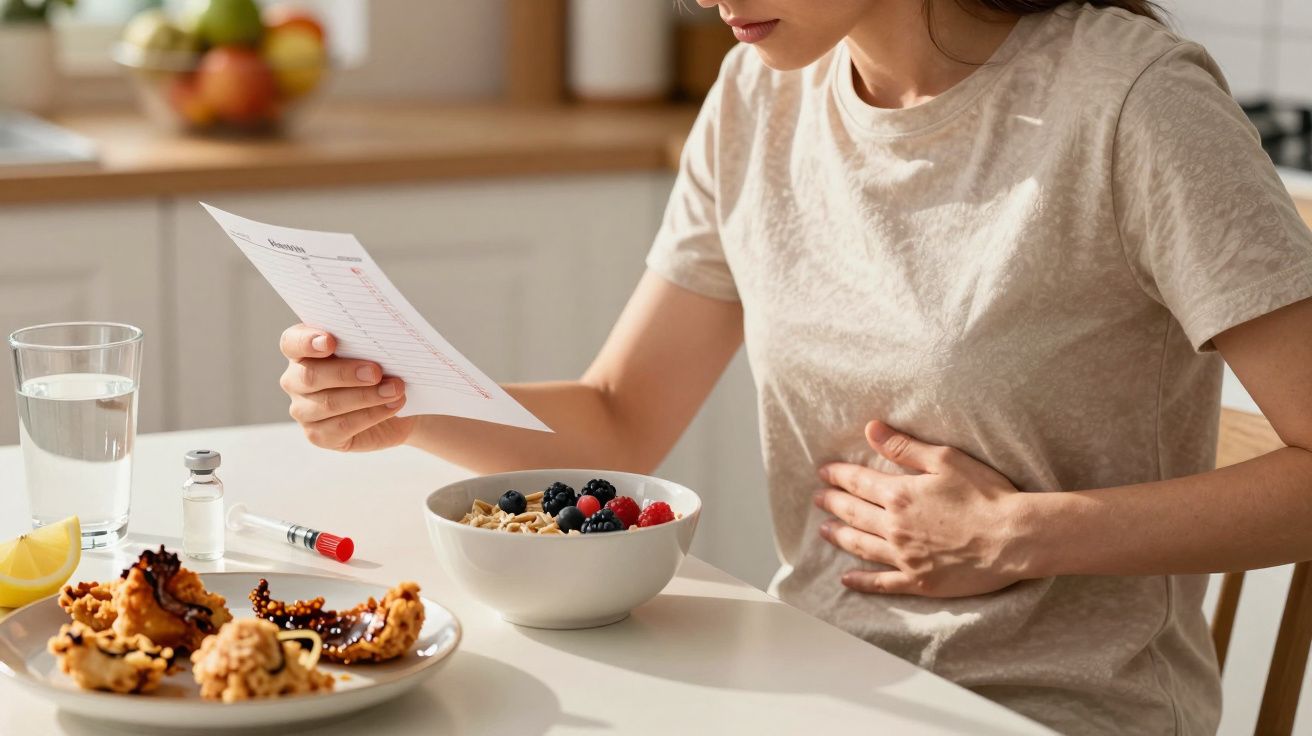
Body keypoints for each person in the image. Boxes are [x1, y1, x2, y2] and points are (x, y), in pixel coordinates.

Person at [275, 1, 1312, 733]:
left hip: (1046, 710)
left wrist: (1016, 533)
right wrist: (402, 399)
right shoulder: (757, 97)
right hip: (816, 679)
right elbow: (618, 418)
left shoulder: (1129, 101)